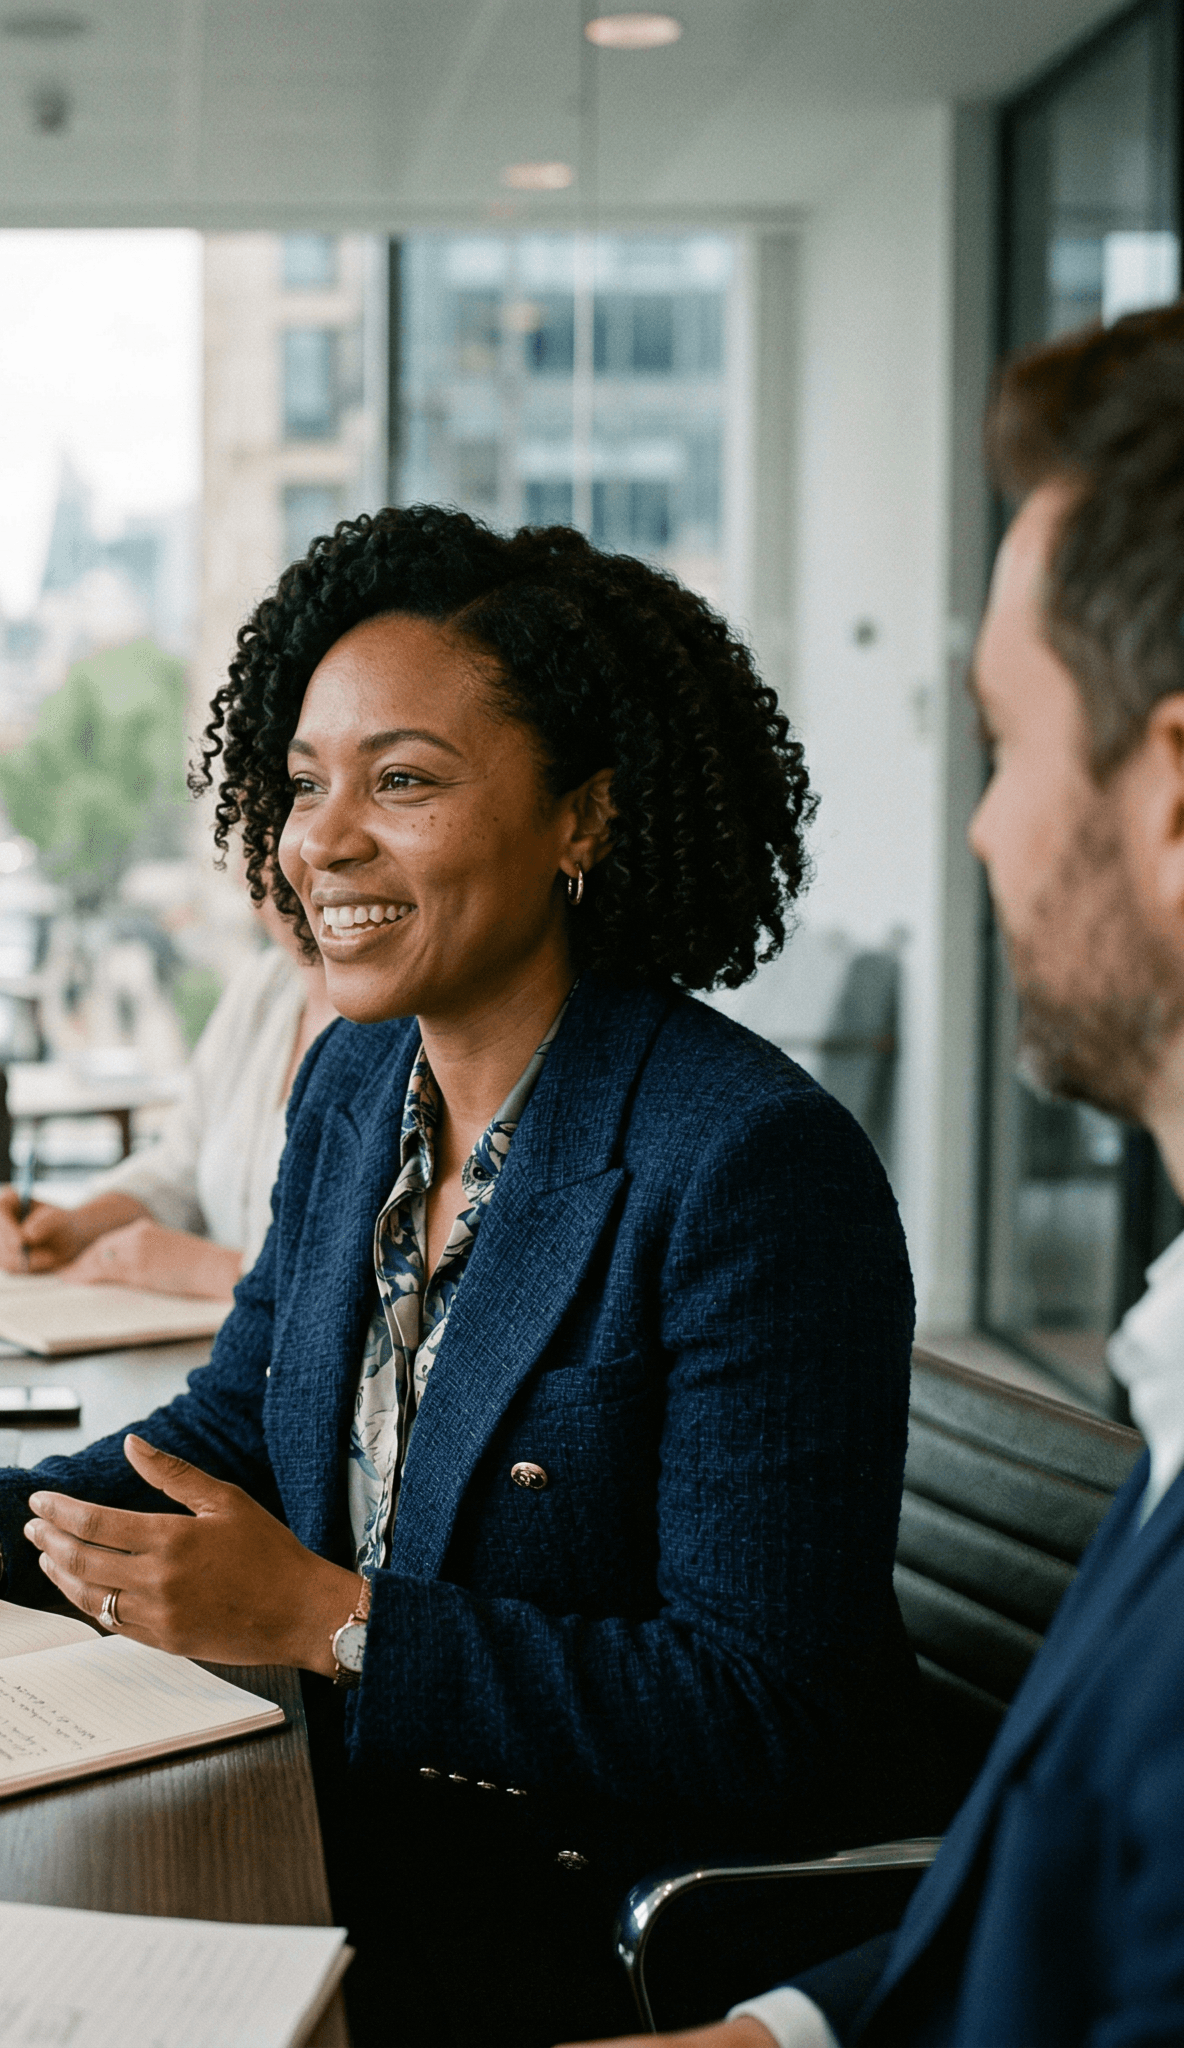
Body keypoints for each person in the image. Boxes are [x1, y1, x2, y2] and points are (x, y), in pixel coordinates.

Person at [0, 507, 934, 2045]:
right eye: (304, 785)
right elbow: (240, 1425)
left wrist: (338, 1623)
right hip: (340, 1832)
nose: (325, 840)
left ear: (585, 819)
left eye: (406, 781)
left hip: (575, 1937)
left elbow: (771, 1715)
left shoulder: (749, 1166)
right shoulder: (361, 1087)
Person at [567, 308, 1184, 2048]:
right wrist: (771, 2038)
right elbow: (1048, 1892)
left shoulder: (737, 1155)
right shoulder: (1170, 1355)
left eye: (1001, 743)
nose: (978, 829)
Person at [0, 891, 339, 1298]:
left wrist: (211, 1270)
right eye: (252, 844)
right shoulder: (265, 985)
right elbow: (179, 1172)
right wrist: (75, 1226)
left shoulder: (395, 1027)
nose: (263, 876)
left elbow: (371, 1286)